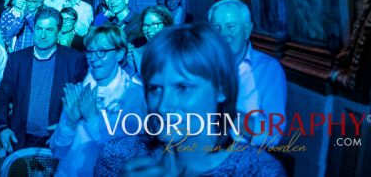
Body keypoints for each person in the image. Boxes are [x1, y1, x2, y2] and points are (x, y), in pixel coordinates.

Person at [94, 23, 286, 176]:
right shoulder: (118, 158)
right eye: (155, 88)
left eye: (182, 88)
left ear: (221, 89)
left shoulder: (256, 171)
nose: (162, 106)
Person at [48, 25, 145, 176]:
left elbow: (126, 157)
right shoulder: (79, 91)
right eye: (91, 51)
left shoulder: (135, 96)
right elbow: (57, 151)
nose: (93, 58)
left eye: (102, 51)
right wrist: (70, 123)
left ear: (120, 53)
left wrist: (92, 119)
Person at [0, 8, 88, 152]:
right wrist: (2, 127)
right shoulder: (17, 59)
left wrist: (69, 126)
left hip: (57, 138)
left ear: (58, 32)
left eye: (49, 30)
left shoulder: (74, 60)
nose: (43, 35)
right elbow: (3, 94)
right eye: (39, 29)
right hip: (21, 138)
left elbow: (82, 100)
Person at [208, 0, 287, 146]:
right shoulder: (201, 66)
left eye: (231, 27)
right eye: (217, 28)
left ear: (247, 30)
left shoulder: (268, 69)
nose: (224, 34)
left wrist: (228, 114)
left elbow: (273, 134)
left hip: (246, 153)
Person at [128, 6, 173, 75]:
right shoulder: (136, 54)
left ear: (166, 25)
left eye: (155, 24)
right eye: (146, 25)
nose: (149, 30)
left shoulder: (178, 50)